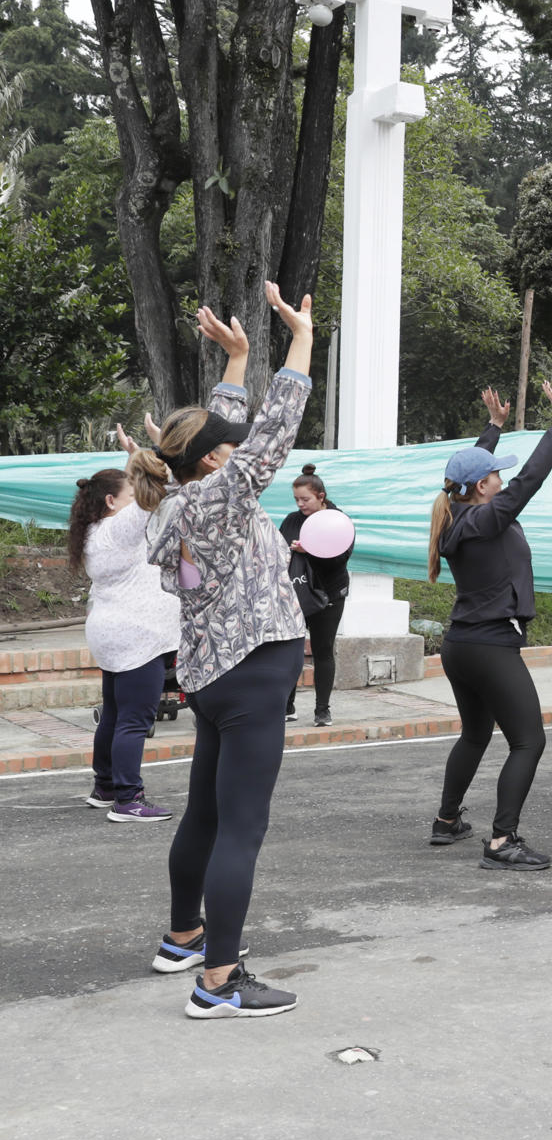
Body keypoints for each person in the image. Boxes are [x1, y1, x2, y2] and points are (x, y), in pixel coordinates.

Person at [129, 283, 315, 1017]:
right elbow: (268, 434)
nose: (232, 453)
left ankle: (183, 938)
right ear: (210, 464)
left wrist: (235, 361)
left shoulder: (180, 499)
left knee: (204, 818)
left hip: (212, 676)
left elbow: (219, 434)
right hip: (251, 675)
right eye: (222, 452)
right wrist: (299, 341)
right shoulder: (223, 497)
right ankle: (218, 982)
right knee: (242, 828)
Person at [426, 383, 552, 870]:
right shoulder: (488, 517)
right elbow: (530, 478)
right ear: (483, 487)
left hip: (460, 644)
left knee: (475, 733)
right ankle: (501, 842)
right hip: (489, 645)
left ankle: (447, 822)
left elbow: (464, 475)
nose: (502, 479)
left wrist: (494, 429)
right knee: (529, 741)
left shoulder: (456, 516)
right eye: (495, 475)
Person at [69, 428, 180, 823]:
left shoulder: (96, 533)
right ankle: (129, 799)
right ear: (112, 501)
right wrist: (151, 453)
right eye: (128, 495)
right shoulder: (118, 528)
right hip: (137, 635)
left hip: (113, 631)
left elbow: (148, 493)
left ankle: (106, 786)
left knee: (115, 714)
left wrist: (138, 458)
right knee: (134, 720)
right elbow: (159, 492)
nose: (136, 501)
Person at [281, 464, 353, 727]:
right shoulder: (292, 521)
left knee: (323, 650)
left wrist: (308, 551)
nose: (301, 504)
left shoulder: (338, 521)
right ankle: (287, 706)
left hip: (329, 594)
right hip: (295, 595)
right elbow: (277, 553)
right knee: (290, 651)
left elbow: (339, 561)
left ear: (321, 496)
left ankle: (322, 710)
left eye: (306, 499)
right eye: (297, 500)